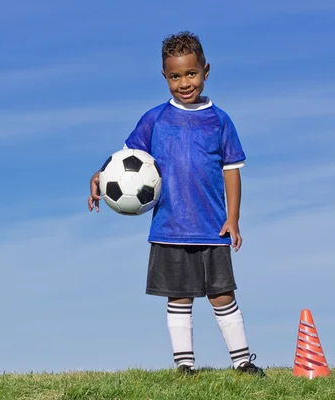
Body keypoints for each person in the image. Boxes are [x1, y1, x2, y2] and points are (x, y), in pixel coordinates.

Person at [87, 31, 265, 376]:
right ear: (165, 77)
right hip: (170, 228)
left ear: (206, 71)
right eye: (175, 76)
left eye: (191, 73)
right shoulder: (155, 119)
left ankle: (242, 362)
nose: (184, 82)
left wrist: (234, 218)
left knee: (222, 294)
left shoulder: (220, 120)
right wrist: (99, 173)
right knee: (179, 297)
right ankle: (185, 367)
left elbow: (232, 171)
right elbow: (127, 158)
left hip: (212, 228)